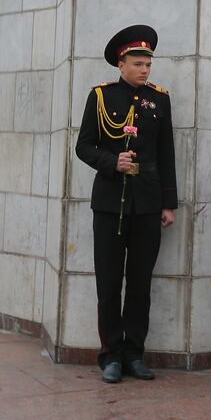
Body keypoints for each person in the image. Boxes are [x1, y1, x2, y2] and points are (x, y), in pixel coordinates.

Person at [74, 25, 177, 384]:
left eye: (148, 63)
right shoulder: (101, 97)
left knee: (139, 284)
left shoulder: (159, 99)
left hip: (148, 201)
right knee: (108, 283)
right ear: (121, 64)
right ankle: (111, 356)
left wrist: (169, 203)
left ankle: (135, 353)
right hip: (109, 203)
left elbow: (167, 155)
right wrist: (110, 161)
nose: (145, 69)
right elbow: (83, 146)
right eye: (137, 63)